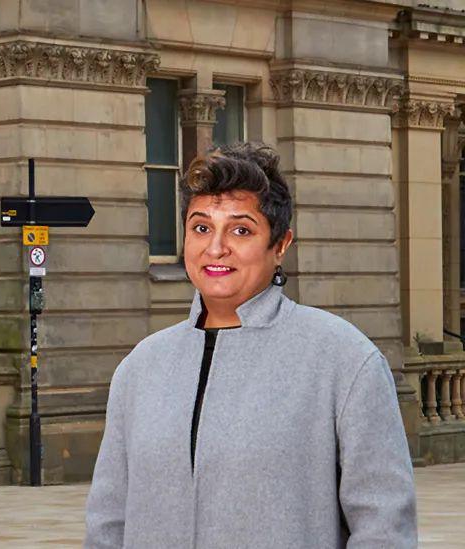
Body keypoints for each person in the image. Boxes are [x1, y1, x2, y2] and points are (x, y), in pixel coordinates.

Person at [84, 142, 416, 548]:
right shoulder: (141, 368)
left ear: (280, 245)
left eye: (241, 229)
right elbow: (108, 522)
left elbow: (383, 527)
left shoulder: (343, 360)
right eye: (201, 227)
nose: (216, 247)